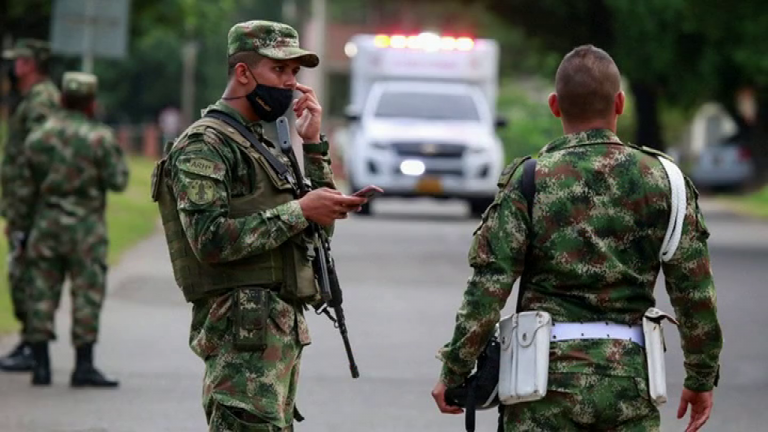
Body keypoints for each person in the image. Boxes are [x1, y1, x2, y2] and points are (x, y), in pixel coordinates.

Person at [432, 45, 722, 432]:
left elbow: (489, 286)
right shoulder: (666, 181)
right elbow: (695, 293)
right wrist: (700, 377)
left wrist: (455, 370)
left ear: (555, 105)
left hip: (542, 387)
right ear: (619, 103)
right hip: (630, 385)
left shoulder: (529, 181)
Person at [151, 20, 367, 431]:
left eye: (294, 73)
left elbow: (318, 234)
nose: (289, 83)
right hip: (240, 339)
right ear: (243, 72)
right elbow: (209, 241)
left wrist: (315, 147)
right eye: (278, 70)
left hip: (274, 337)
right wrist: (301, 210)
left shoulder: (264, 143)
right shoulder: (206, 144)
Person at [12, 71, 129, 387]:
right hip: (86, 230)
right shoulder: (100, 138)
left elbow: (23, 190)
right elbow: (119, 180)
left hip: (45, 225)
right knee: (87, 295)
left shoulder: (38, 137)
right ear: (91, 102)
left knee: (41, 294)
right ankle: (83, 366)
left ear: (62, 98)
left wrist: (19, 230)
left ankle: (41, 366)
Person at [0, 38, 61, 372]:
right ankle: (29, 342)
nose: (14, 66)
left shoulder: (41, 100)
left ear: (31, 64)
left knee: (27, 275)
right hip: (24, 205)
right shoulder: (33, 98)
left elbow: (40, 156)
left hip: (33, 207)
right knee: (22, 273)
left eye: (19, 60)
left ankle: (32, 346)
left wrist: (26, 210)